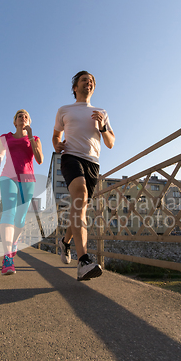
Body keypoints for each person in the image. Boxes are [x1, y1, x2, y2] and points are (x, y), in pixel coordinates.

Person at [52, 71, 115, 281]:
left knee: (79, 209)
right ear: (75, 87)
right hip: (71, 157)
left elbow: (111, 142)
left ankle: (65, 242)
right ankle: (83, 261)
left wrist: (103, 126)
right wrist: (57, 144)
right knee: (80, 195)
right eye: (84, 80)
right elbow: (56, 136)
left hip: (93, 163)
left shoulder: (101, 111)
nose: (89, 83)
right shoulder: (64, 110)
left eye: (91, 81)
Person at [0, 109, 43, 275]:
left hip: (27, 179)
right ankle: (8, 257)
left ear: (28, 122)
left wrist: (30, 137)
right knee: (8, 213)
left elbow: (40, 159)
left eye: (26, 116)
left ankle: (14, 241)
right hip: (8, 177)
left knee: (20, 219)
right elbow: (1, 151)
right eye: (19, 116)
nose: (23, 118)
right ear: (14, 122)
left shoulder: (35, 139)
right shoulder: (5, 137)